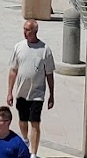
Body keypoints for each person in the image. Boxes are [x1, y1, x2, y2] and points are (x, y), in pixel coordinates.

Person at [7, 20, 55, 158]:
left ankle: (33, 153)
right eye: (24, 29)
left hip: (37, 93)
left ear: (35, 31)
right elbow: (13, 71)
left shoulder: (45, 50)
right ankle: (25, 140)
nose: (25, 32)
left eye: (28, 30)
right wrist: (9, 92)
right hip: (22, 92)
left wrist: (52, 95)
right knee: (23, 120)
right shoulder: (18, 47)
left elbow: (49, 74)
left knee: (35, 122)